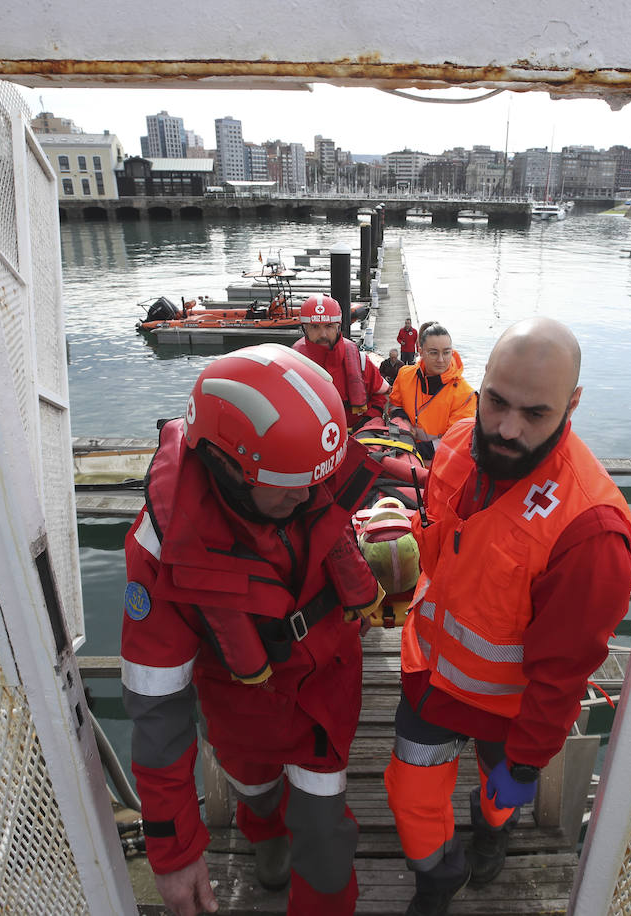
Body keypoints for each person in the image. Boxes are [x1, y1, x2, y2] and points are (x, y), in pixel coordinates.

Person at [121, 344, 386, 916]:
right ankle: (265, 834)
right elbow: (156, 706)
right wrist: (172, 850)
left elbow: (317, 496)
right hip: (243, 707)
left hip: (326, 695)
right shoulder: (159, 552)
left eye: (318, 479)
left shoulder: (303, 478)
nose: (310, 493)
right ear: (227, 466)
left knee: (324, 844)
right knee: (255, 788)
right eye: (290, 483)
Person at [383, 317, 631, 916]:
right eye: (496, 401)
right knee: (410, 794)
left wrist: (528, 758)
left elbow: (564, 673)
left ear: (572, 404)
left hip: (511, 709)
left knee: (502, 793)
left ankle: (492, 827)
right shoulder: (455, 446)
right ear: (480, 380)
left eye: (535, 414)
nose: (506, 429)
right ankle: (439, 878)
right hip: (430, 678)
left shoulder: (591, 531)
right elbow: (441, 546)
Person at [293, 293, 387, 430]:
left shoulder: (360, 362)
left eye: (329, 326)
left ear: (338, 327)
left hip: (356, 437)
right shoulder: (292, 363)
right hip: (309, 438)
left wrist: (367, 420)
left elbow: (381, 395)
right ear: (305, 329)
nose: (323, 334)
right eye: (315, 327)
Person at [386, 323, 477, 445]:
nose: (440, 360)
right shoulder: (404, 375)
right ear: (421, 352)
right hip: (404, 450)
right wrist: (403, 420)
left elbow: (455, 442)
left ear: (452, 352)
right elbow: (394, 405)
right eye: (434, 353)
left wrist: (413, 449)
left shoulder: (466, 396)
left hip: (437, 461)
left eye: (446, 352)